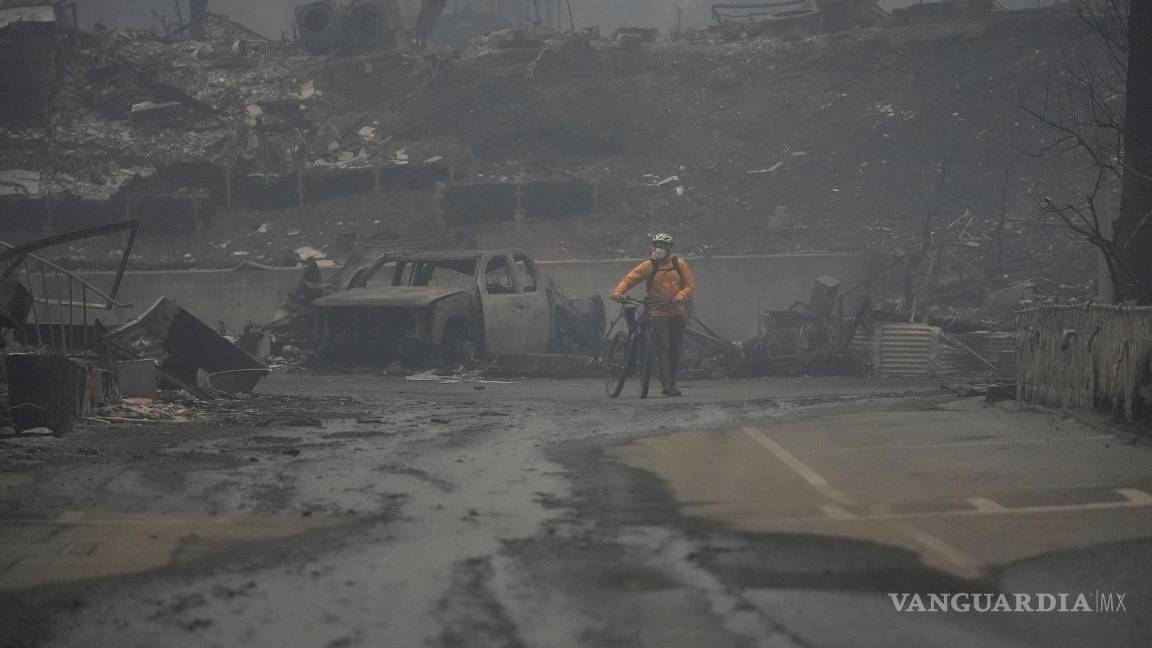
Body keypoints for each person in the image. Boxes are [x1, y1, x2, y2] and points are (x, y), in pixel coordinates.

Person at [611, 233, 695, 397]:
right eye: (656, 246)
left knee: (675, 350)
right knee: (663, 347)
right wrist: (618, 292)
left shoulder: (679, 264)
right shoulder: (648, 265)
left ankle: (673, 382)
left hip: (676, 312)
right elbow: (630, 279)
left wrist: (680, 296)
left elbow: (689, 285)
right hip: (656, 311)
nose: (658, 249)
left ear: (669, 248)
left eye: (662, 246)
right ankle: (667, 385)